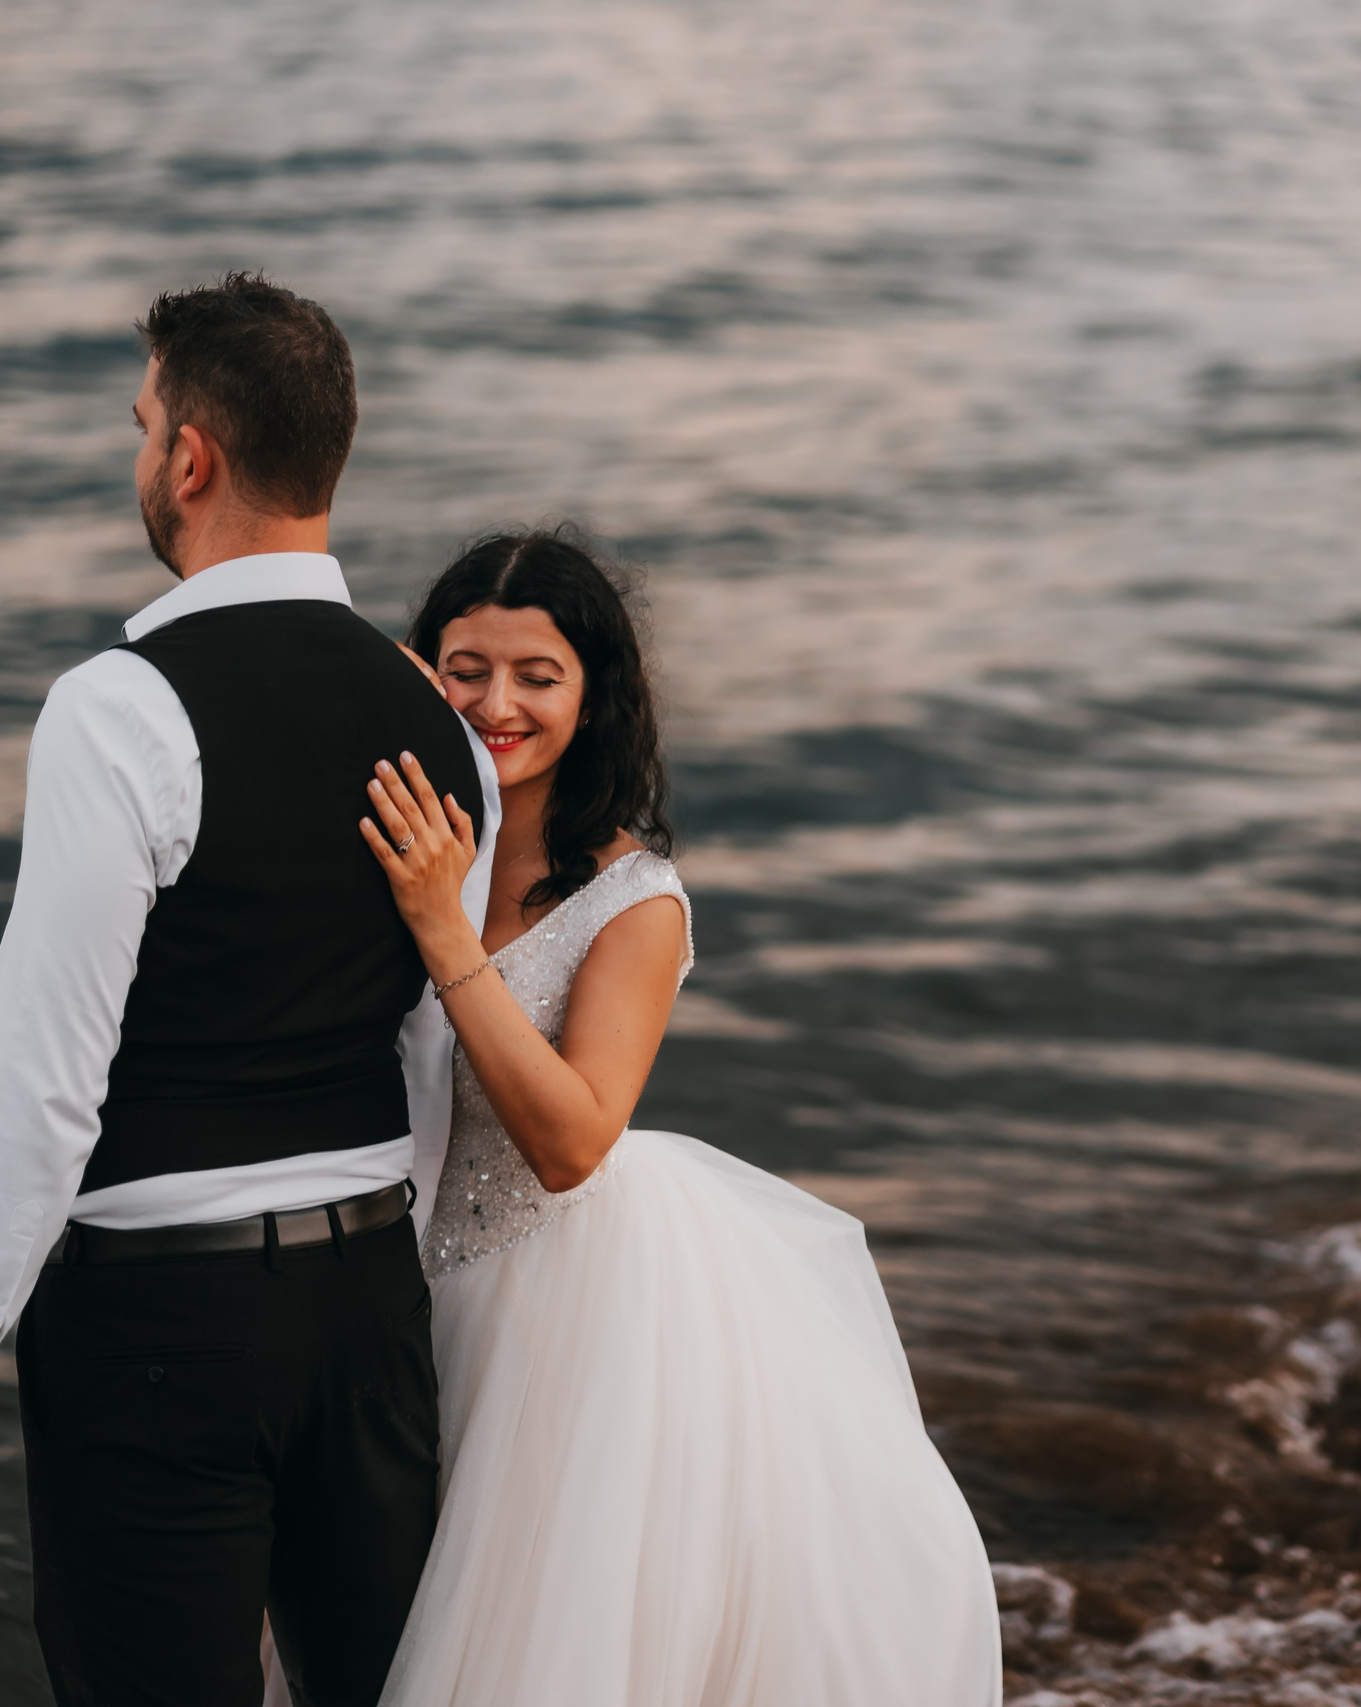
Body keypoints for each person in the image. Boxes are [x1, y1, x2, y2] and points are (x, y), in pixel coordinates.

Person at [0, 272, 499, 1707]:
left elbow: (44, 1071)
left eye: (143, 419)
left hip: (159, 1332)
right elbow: (427, 1046)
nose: (140, 447)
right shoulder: (440, 725)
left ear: (193, 457)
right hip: (362, 1311)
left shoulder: (118, 707)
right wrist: (373, 1294)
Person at [332, 528, 1003, 1706]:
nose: (496, 702)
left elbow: (574, 1143)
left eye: (537, 675)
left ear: (593, 699)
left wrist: (443, 931)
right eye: (463, 667)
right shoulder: (403, 839)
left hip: (549, 1311)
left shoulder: (631, 901)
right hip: (376, 1281)